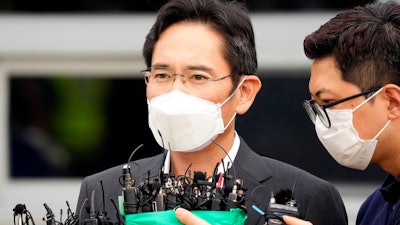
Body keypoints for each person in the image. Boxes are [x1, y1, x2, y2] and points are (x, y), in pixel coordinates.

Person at [75, 0, 348, 224]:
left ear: (244, 93)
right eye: (161, 74)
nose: (175, 92)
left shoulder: (306, 197)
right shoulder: (102, 190)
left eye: (197, 77)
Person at [287, 1, 400, 225]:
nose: (321, 122)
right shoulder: (375, 208)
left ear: (391, 102)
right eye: (315, 106)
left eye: (328, 102)